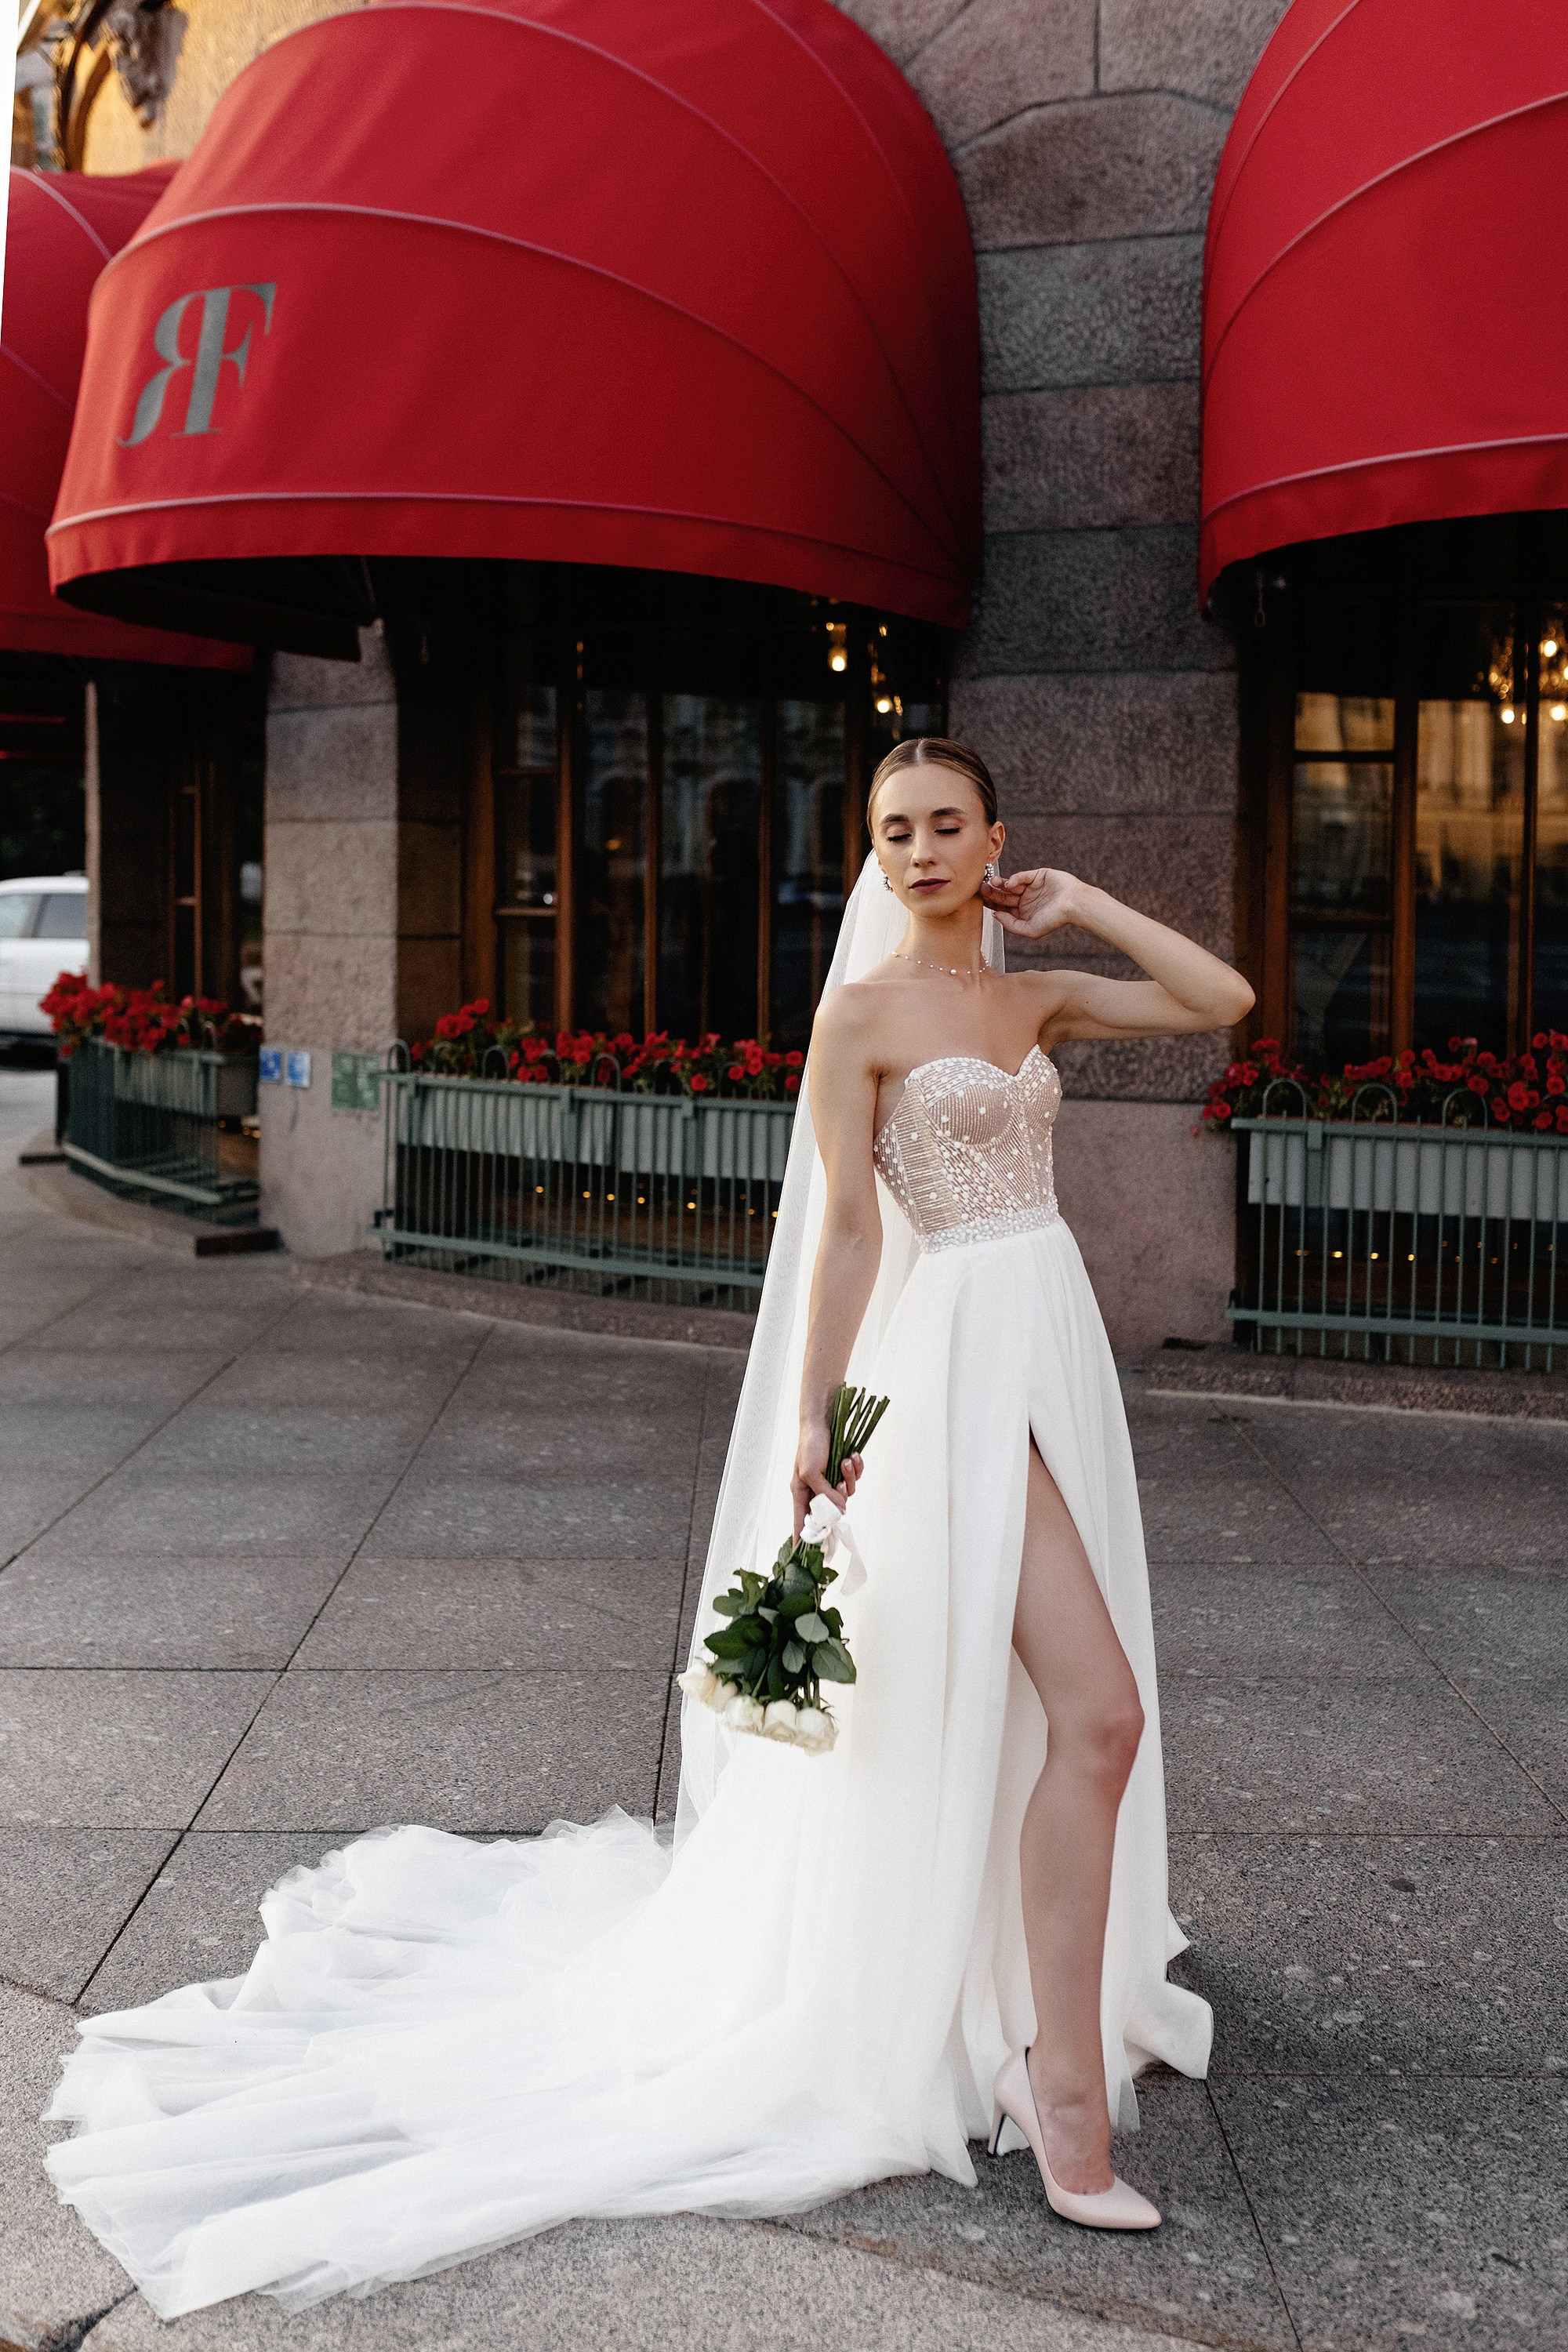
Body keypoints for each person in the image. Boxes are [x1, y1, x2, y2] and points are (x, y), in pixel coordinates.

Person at [43, 737, 1247, 2313]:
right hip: (948, 1364)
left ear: (993, 837)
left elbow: (1216, 1003)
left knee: (1068, 1717)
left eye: (948, 824)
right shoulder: (862, 1018)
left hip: (1048, 1352)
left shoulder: (1033, 996)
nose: (923, 849)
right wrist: (817, 1411)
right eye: (895, 831)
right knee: (1100, 1715)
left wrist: (1085, 904)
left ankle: (1036, 2038)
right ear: (875, 858)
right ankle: (1060, 2088)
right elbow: (840, 1227)